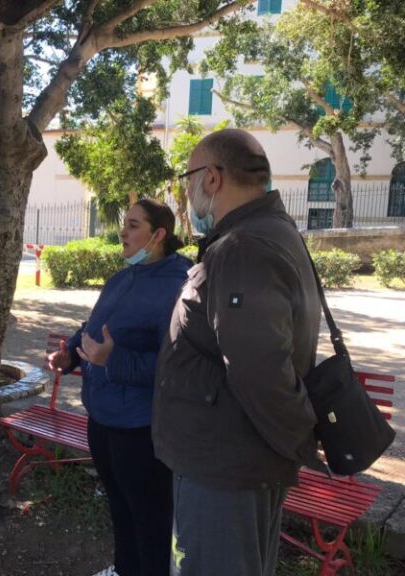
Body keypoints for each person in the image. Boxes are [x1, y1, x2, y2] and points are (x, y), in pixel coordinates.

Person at [152, 129, 321, 576]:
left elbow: (260, 369)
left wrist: (297, 437)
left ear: (211, 178)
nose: (185, 193)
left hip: (225, 468)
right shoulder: (265, 233)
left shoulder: (243, 247)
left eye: (187, 179)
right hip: (233, 461)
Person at [48, 199, 190, 576]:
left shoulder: (181, 285)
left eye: (132, 225)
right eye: (123, 224)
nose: (121, 232)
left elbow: (175, 365)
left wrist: (114, 360)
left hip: (140, 427)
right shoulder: (121, 277)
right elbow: (94, 325)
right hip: (103, 417)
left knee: (149, 518)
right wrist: (72, 354)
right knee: (120, 507)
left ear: (158, 235)